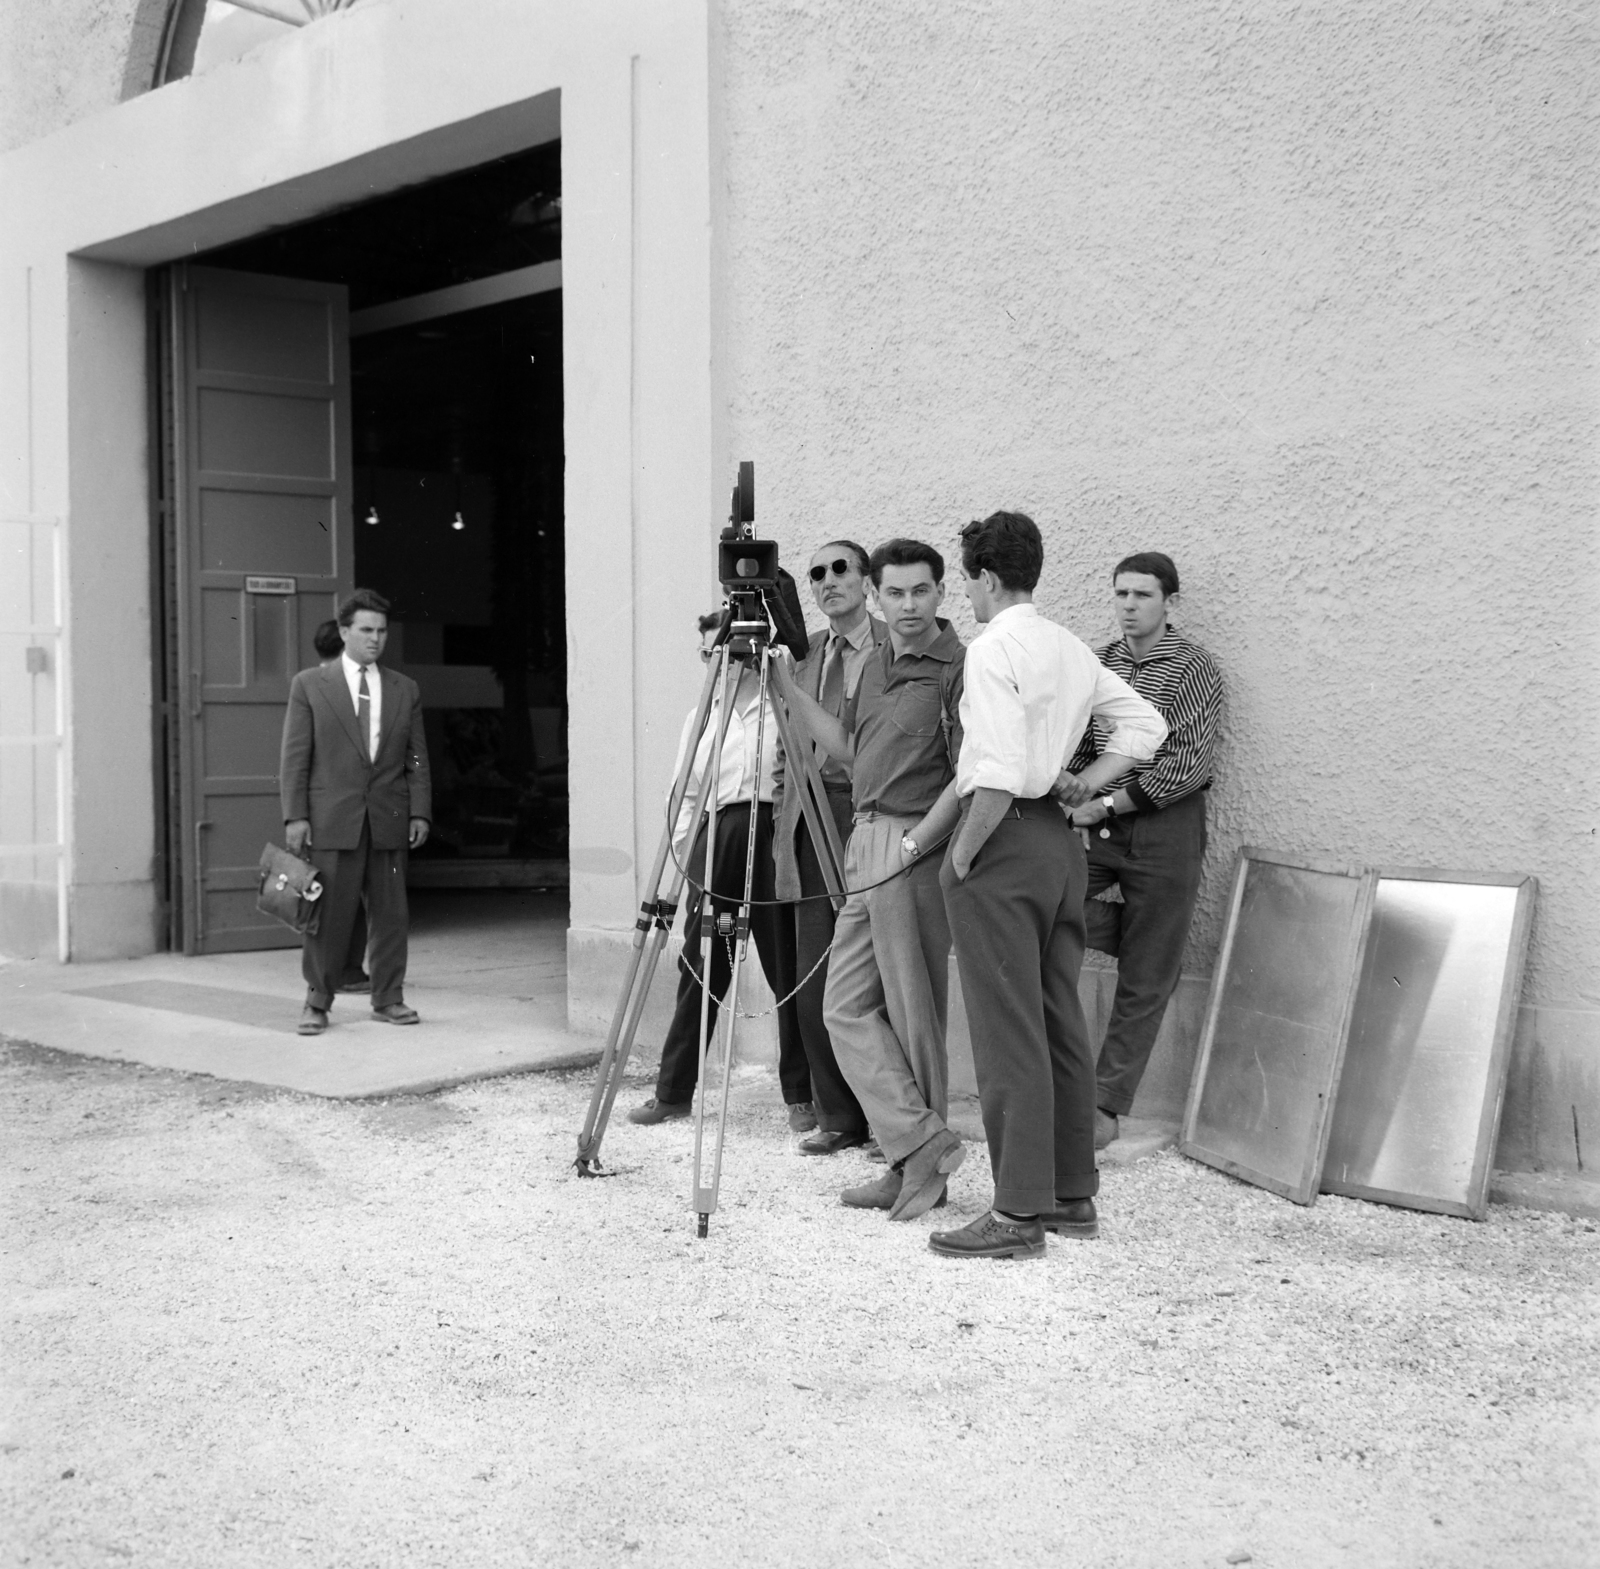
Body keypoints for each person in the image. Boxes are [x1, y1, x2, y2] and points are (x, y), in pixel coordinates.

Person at [931, 512, 1166, 1260]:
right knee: (1057, 1017)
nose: (968, 591)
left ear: (987, 577)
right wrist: (1083, 782)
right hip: (1061, 844)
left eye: (968, 577)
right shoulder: (1068, 645)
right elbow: (1146, 726)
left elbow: (994, 770)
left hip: (1000, 839)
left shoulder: (992, 647)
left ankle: (1017, 1210)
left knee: (1008, 1031)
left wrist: (960, 855)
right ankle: (1071, 1193)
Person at [775, 538, 968, 1222]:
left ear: (940, 593)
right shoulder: (876, 665)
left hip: (913, 841)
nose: (907, 604)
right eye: (896, 592)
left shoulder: (958, 667)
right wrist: (788, 689)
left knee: (915, 1013)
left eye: (920, 591)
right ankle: (920, 1141)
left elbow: (970, 773)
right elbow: (850, 748)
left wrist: (918, 843)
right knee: (844, 1006)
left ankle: (915, 1162)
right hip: (866, 835)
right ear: (878, 595)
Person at [628, 613, 814, 1130]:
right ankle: (673, 1091)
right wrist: (689, 861)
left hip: (775, 836)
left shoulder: (784, 706)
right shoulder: (702, 717)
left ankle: (802, 1094)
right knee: (704, 963)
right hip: (722, 839)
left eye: (735, 649)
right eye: (715, 652)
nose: (727, 660)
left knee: (787, 967)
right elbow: (684, 794)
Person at [1065, 553, 1224, 1148]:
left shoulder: (1193, 667)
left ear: (1168, 602)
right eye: (1121, 594)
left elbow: (1188, 762)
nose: (1129, 606)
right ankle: (1149, 940)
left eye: (1143, 595)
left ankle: (1104, 1108)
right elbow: (1080, 743)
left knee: (1146, 976)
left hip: (1164, 823)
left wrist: (1105, 804)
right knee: (1055, 903)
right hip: (1094, 821)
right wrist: (1070, 800)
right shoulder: (1098, 661)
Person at [770, 542, 887, 1156]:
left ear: (866, 581)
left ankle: (889, 1120)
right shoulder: (807, 656)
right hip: (809, 820)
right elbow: (789, 750)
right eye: (816, 573)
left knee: (877, 977)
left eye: (841, 568)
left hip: (868, 816)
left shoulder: (893, 649)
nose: (827, 580)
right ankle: (839, 1116)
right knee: (815, 977)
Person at [280, 590, 431, 1036]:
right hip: (332, 820)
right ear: (344, 631)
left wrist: (420, 811)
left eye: (382, 631)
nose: (375, 639)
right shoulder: (310, 684)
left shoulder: (405, 688)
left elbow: (416, 758)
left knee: (391, 916)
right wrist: (296, 816)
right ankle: (317, 1003)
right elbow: (295, 757)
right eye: (366, 629)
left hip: (389, 817)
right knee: (328, 916)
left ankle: (389, 998)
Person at [312, 619, 371, 996]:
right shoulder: (344, 688)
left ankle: (333, 968)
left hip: (321, 808)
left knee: (329, 892)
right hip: (347, 808)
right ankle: (345, 969)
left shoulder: (307, 684)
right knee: (348, 896)